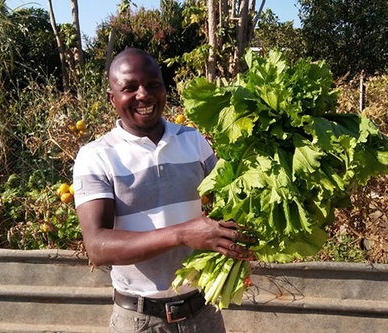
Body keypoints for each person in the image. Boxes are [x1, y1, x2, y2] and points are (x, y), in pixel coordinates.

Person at [73, 48, 254, 333]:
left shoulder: (192, 140)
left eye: (153, 85)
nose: (143, 95)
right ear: (112, 98)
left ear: (164, 89)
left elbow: (235, 198)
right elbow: (97, 247)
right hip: (139, 319)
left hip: (203, 312)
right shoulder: (96, 156)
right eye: (130, 88)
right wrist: (182, 234)